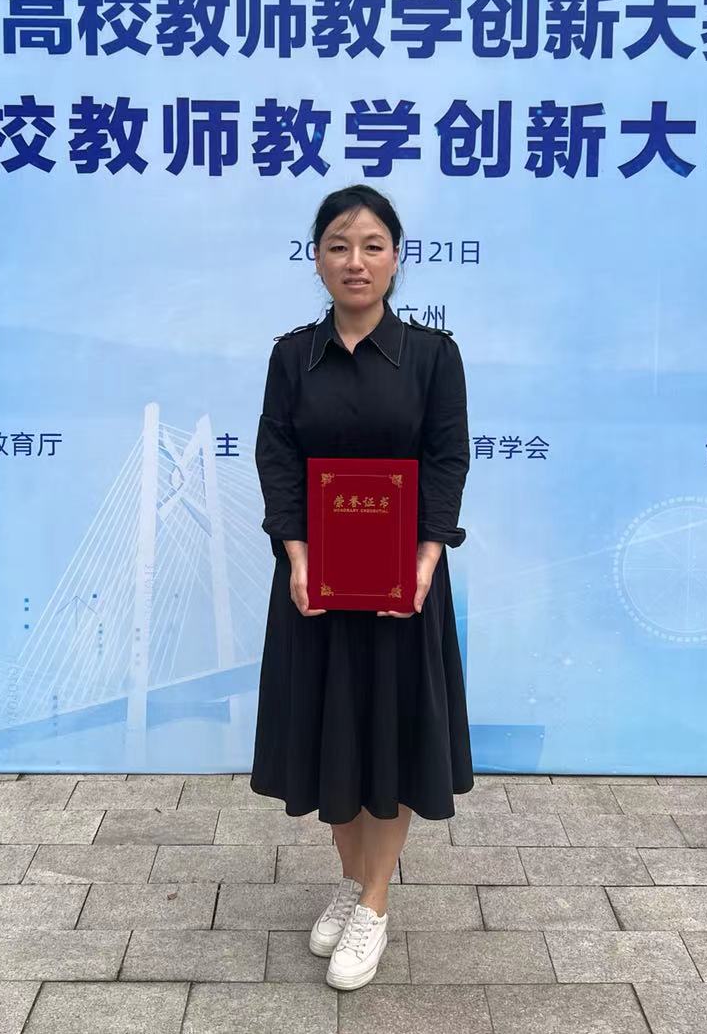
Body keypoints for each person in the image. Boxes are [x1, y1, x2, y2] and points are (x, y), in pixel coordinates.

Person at [250, 184, 474, 991]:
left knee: (393, 736)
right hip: (315, 585)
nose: (356, 261)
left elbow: (447, 459)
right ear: (316, 259)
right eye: (339, 245)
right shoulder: (291, 357)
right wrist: (296, 556)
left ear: (396, 259)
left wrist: (425, 560)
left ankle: (374, 902)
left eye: (373, 245)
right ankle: (351, 881)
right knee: (331, 736)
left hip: (402, 585)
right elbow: (277, 457)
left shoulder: (433, 357)